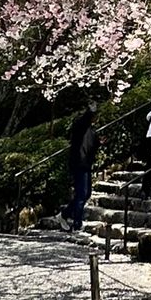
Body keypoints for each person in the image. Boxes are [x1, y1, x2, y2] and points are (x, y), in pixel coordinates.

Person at [59, 97, 99, 232]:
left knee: (86, 194)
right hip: (78, 163)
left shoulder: (92, 131)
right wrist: (90, 110)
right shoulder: (80, 126)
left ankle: (65, 214)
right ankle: (77, 223)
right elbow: (83, 121)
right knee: (81, 194)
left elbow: (93, 145)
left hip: (86, 164)